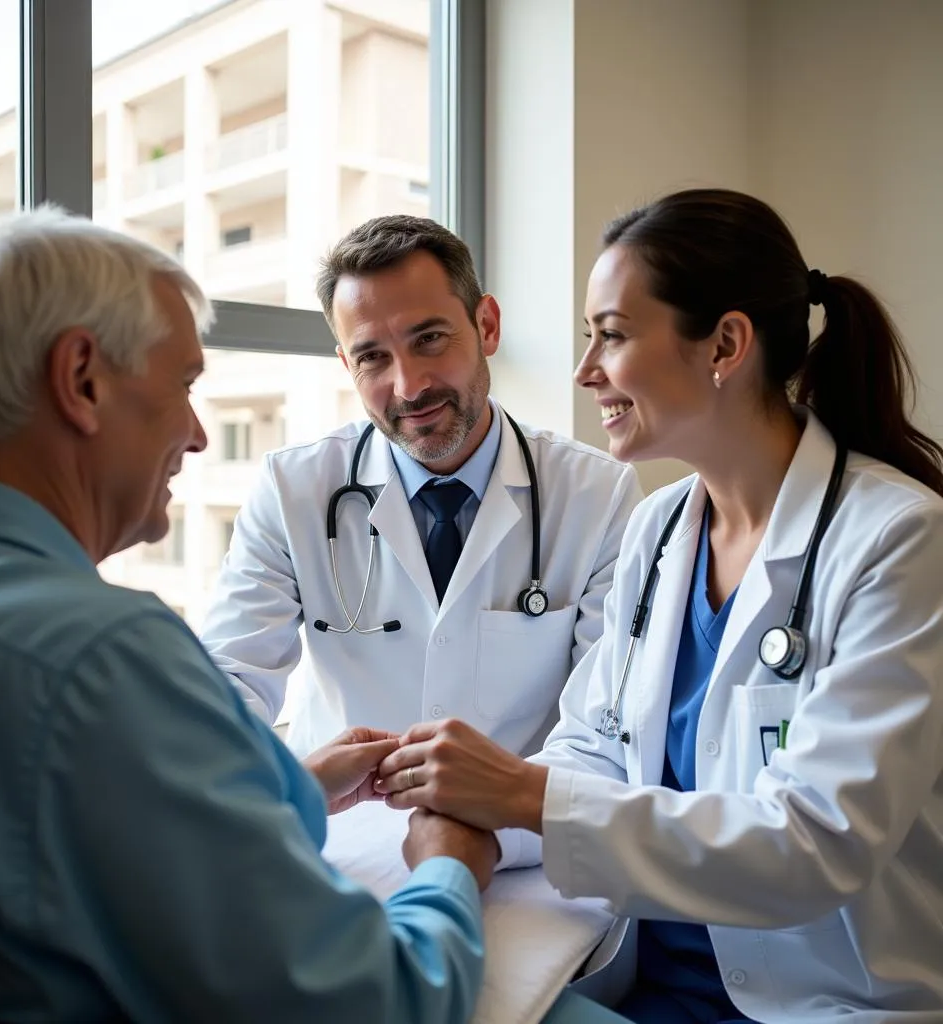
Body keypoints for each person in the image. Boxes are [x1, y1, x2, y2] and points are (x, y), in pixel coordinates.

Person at [0, 208, 501, 1023]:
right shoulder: (104, 657)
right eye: (182, 387)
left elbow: (90, 835)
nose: (196, 436)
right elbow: (377, 1003)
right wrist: (450, 868)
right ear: (82, 379)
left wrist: (283, 786)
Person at [374, 189, 943, 1022]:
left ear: (725, 344)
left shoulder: (899, 541)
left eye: (611, 334)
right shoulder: (661, 527)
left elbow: (812, 846)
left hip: (827, 1005)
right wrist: (465, 813)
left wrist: (521, 797)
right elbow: (594, 751)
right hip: (643, 983)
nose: (585, 370)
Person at [200, 215, 642, 757]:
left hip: (516, 831)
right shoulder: (293, 490)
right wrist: (289, 796)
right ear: (346, 365)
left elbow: (604, 724)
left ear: (488, 326)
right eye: (372, 358)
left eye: (429, 339)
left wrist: (493, 817)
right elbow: (226, 691)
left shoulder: (598, 494)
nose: (409, 386)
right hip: (342, 829)